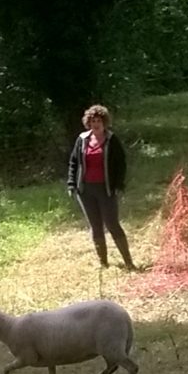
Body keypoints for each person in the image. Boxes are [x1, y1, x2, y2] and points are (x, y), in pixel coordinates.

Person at [66, 104, 137, 270]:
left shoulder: (112, 140)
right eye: (92, 121)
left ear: (104, 122)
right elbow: (73, 162)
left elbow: (121, 164)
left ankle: (129, 262)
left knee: (112, 224)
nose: (96, 124)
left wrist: (118, 184)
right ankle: (103, 263)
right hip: (85, 190)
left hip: (106, 189)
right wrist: (71, 184)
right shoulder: (82, 139)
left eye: (99, 121)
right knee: (95, 227)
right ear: (88, 123)